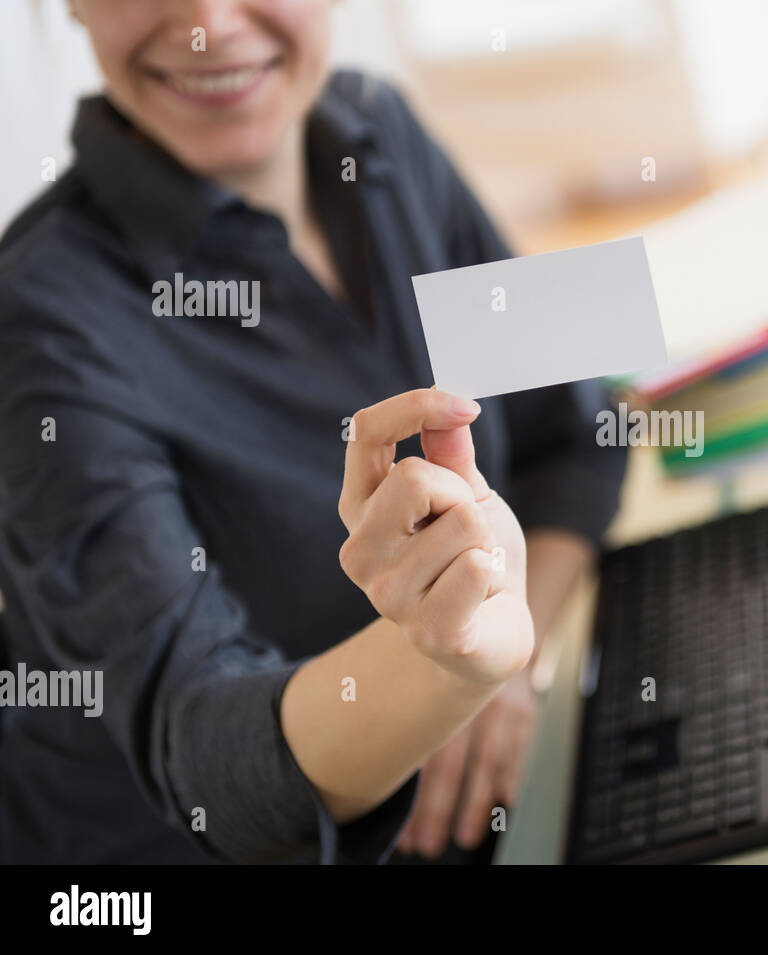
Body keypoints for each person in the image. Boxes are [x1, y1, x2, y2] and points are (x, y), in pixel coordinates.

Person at [0, 0, 625, 863]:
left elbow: (581, 430)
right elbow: (209, 765)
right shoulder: (39, 327)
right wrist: (448, 671)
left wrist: (512, 662)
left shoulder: (381, 125)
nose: (207, 26)